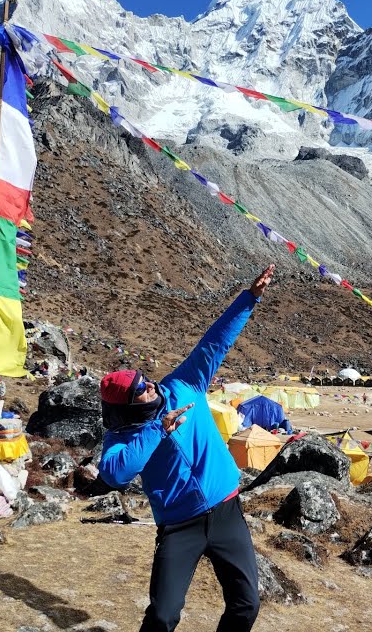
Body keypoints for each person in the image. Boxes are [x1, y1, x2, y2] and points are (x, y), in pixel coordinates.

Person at [98, 264, 275, 632]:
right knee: (163, 615)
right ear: (127, 407)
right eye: (140, 390)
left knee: (246, 605)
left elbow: (214, 342)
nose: (150, 387)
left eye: (145, 380)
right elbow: (114, 473)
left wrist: (249, 298)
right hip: (179, 525)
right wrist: (158, 432)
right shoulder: (125, 433)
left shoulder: (183, 384)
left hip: (226, 510)